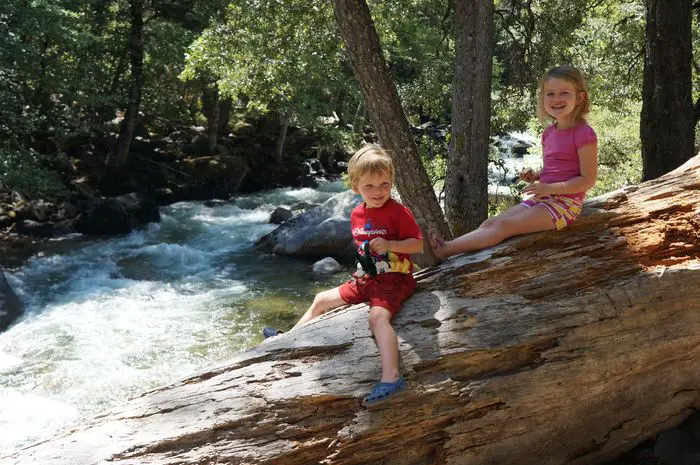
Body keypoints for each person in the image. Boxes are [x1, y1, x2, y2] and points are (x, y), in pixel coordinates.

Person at [264, 144, 424, 406]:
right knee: (320, 300)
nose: (378, 192)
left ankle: (392, 376)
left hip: (394, 281)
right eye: (369, 186)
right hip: (366, 279)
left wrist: (391, 245)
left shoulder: (398, 212)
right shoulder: (357, 214)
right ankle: (286, 340)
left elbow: (417, 244)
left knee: (377, 318)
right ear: (355, 186)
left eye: (384, 184)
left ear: (392, 182)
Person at [430, 65, 598, 259]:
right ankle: (448, 247)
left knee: (503, 227)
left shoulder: (584, 134)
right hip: (544, 198)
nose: (556, 99)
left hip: (564, 206)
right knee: (491, 222)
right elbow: (558, 170)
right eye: (550, 94)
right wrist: (537, 176)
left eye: (564, 93)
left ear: (580, 98)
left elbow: (587, 180)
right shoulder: (549, 133)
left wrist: (549, 188)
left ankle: (444, 250)